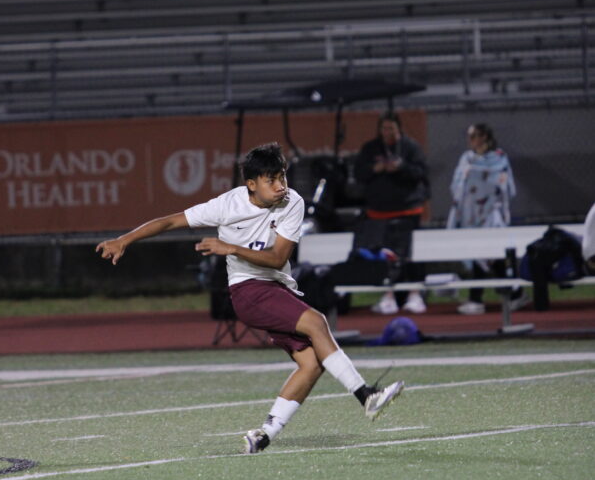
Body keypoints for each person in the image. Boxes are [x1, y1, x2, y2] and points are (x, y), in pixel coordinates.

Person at [96, 142, 404, 454]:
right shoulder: (227, 205)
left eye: (282, 177)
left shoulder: (292, 202)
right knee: (317, 322)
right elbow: (171, 221)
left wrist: (230, 248)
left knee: (311, 363)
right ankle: (366, 396)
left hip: (276, 287)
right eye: (271, 180)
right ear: (251, 185)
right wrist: (125, 239)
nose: (280, 185)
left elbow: (276, 257)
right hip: (248, 290)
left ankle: (265, 433)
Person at [353, 111, 430, 315]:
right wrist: (376, 168)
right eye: (384, 128)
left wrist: (401, 167)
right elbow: (359, 173)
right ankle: (388, 296)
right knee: (384, 255)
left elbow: (421, 173)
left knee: (410, 255)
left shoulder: (411, 147)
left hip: (408, 210)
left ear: (399, 129)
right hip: (379, 213)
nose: (387, 132)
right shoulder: (370, 149)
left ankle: (415, 295)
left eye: (391, 129)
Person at [447, 122, 523, 314]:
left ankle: (479, 298)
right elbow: (458, 184)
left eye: (474, 136)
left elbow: (504, 186)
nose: (471, 141)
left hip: (492, 216)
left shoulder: (499, 158)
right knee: (484, 256)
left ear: (485, 137)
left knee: (490, 254)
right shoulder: (467, 159)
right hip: (471, 216)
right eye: (469, 137)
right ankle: (513, 293)